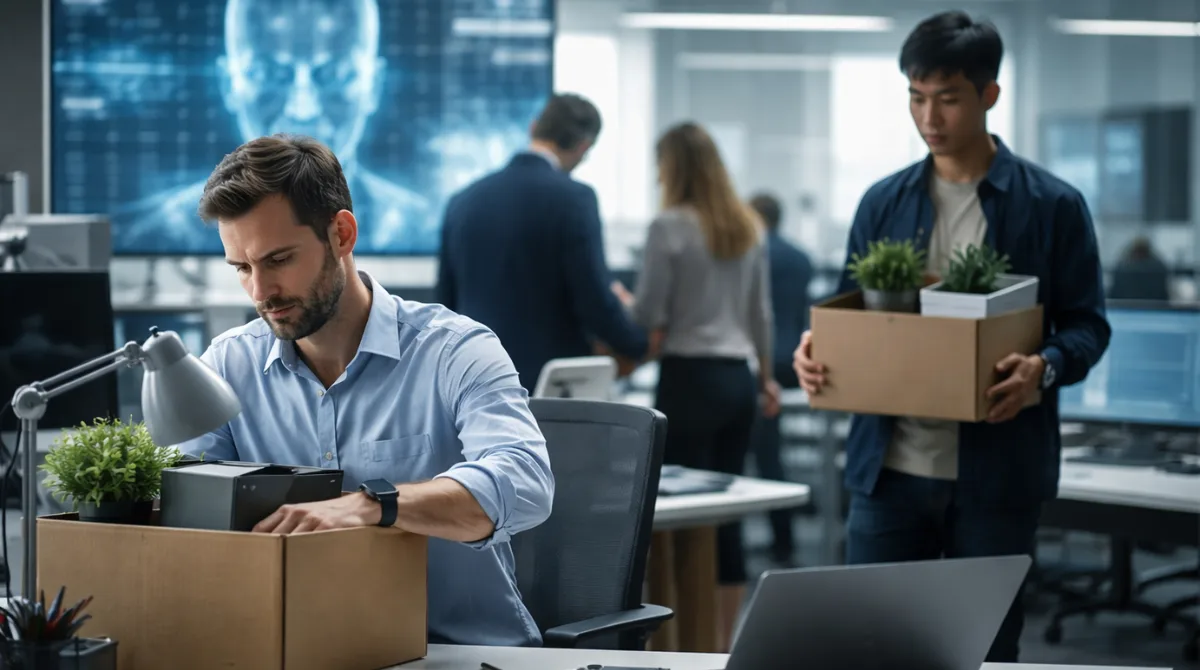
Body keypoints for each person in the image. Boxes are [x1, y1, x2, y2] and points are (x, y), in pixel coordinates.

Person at [792, 11, 1110, 663]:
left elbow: (1088, 325)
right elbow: (852, 313)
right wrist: (816, 350)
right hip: (889, 472)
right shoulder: (883, 203)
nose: (929, 118)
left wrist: (1044, 366)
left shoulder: (1051, 205)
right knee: (872, 648)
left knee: (986, 651)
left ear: (989, 94)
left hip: (997, 477)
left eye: (948, 98)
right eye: (916, 98)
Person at [179, 134, 554, 647]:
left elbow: (526, 482)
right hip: (301, 651)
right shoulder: (227, 365)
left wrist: (374, 505)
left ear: (342, 234)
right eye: (243, 268)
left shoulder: (456, 350)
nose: (260, 292)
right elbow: (182, 505)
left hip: (459, 652)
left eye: (279, 259)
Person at [620, 122, 780, 652]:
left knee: (677, 517)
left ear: (672, 168)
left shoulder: (668, 227)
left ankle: (682, 644)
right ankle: (721, 645)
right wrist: (767, 379)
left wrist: (623, 304)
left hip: (689, 379)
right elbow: (761, 314)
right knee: (725, 517)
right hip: (737, 381)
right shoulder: (746, 226)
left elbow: (651, 312)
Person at [121, 0, 432, 254]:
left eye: (335, 75)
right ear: (229, 84)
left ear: (374, 86)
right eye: (269, 74)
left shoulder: (420, 226)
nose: (303, 108)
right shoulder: (165, 232)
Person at [436, 93, 648, 392]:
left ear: (534, 128)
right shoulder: (575, 199)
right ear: (583, 147)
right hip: (548, 388)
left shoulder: (462, 201)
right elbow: (593, 301)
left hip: (472, 379)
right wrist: (639, 345)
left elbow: (445, 304)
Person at [747, 192, 813, 565]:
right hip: (794, 364)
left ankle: (775, 540)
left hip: (761, 365)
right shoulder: (800, 258)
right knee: (771, 454)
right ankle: (784, 540)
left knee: (765, 454)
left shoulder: (749, 254)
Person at [1109, 235, 1171, 302]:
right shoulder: (1123, 268)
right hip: (1126, 305)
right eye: (1137, 252)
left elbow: (1161, 295)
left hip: (1151, 305)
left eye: (1142, 252)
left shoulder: (1157, 269)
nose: (1139, 255)